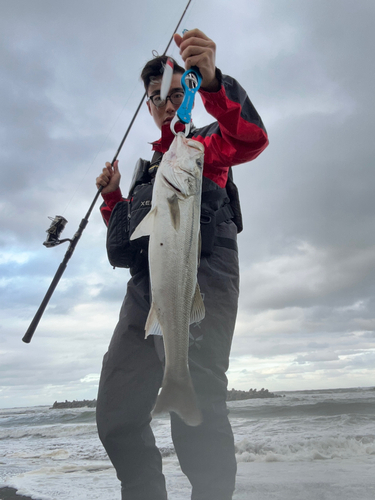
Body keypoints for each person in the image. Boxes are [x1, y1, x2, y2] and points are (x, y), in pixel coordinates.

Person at [95, 29, 268, 500]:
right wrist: (113, 198)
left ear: (189, 93)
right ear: (148, 106)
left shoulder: (203, 146)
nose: (167, 104)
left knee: (198, 408)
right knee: (115, 413)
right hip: (146, 289)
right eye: (157, 97)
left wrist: (214, 85)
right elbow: (129, 244)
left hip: (201, 275)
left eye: (176, 93)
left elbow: (250, 139)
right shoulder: (151, 168)